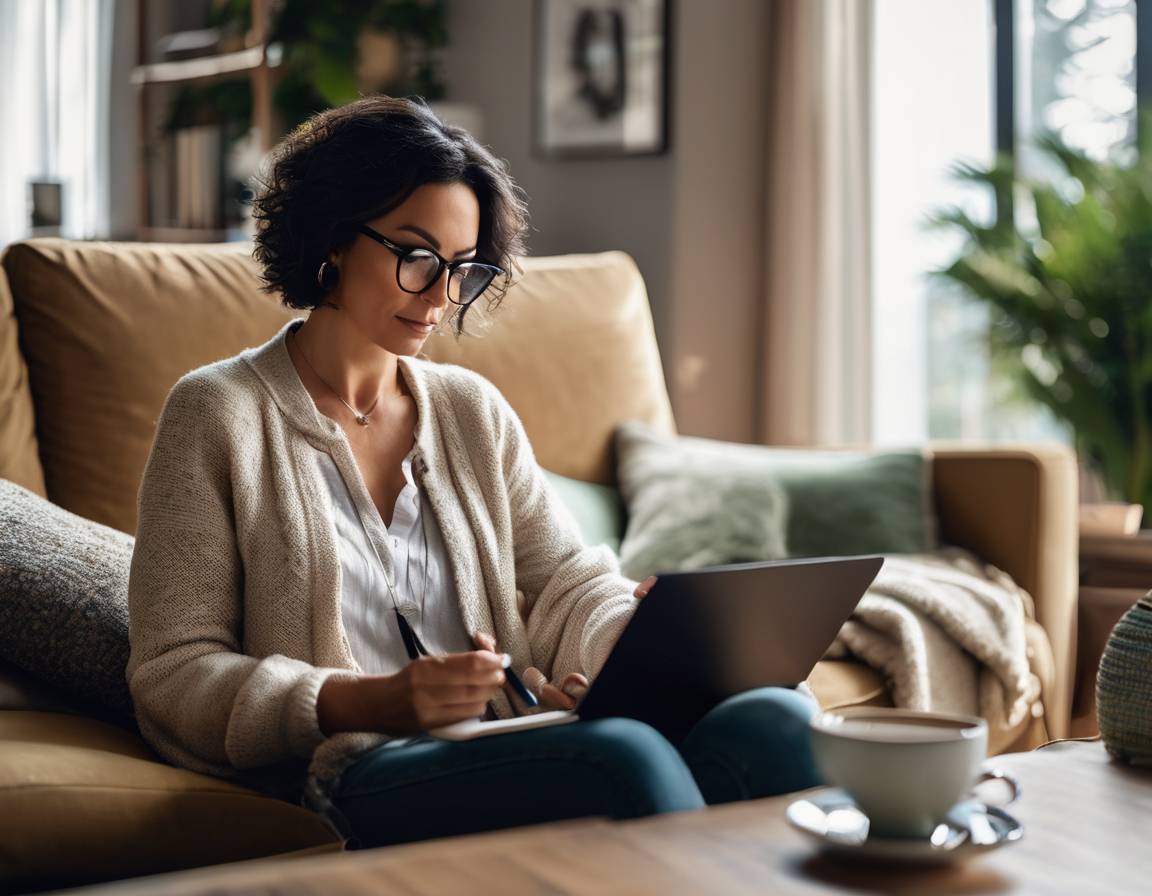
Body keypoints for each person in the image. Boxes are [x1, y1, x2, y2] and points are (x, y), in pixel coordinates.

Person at [125, 95, 821, 850]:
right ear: (331, 237)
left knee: (778, 720)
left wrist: (633, 642)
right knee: (623, 761)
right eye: (417, 257)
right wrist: (365, 701)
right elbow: (173, 674)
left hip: (503, 740)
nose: (440, 298)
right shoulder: (217, 413)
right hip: (357, 774)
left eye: (464, 269)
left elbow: (566, 583)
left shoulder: (469, 411)